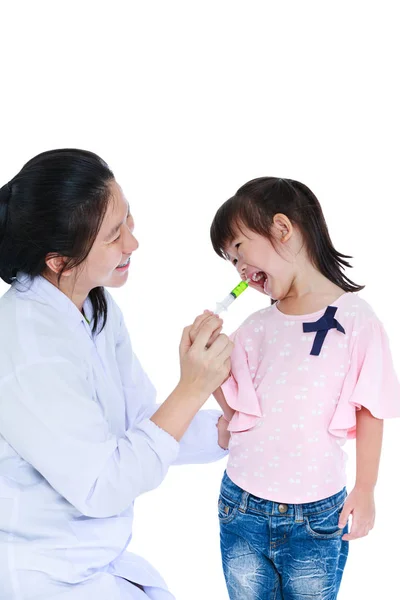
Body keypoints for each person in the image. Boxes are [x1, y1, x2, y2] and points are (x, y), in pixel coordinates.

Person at [0, 149, 233, 600]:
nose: (132, 243)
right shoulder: (29, 350)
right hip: (43, 576)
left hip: (89, 561)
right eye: (113, 236)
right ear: (58, 261)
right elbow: (102, 485)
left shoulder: (91, 306)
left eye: (129, 221)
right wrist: (192, 386)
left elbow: (142, 421)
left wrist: (231, 431)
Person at [208, 177, 400, 599]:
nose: (238, 269)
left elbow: (371, 408)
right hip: (240, 505)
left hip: (317, 516)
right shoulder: (254, 328)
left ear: (282, 228)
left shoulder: (356, 319)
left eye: (239, 248)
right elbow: (237, 405)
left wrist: (365, 487)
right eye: (229, 261)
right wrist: (207, 364)